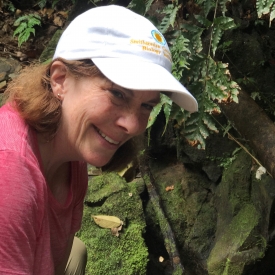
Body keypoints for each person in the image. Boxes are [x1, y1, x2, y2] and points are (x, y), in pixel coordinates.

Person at [0, 4, 198, 275]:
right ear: (61, 80)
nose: (131, 125)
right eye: (117, 94)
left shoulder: (72, 154)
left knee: (76, 252)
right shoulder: (9, 168)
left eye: (147, 106)